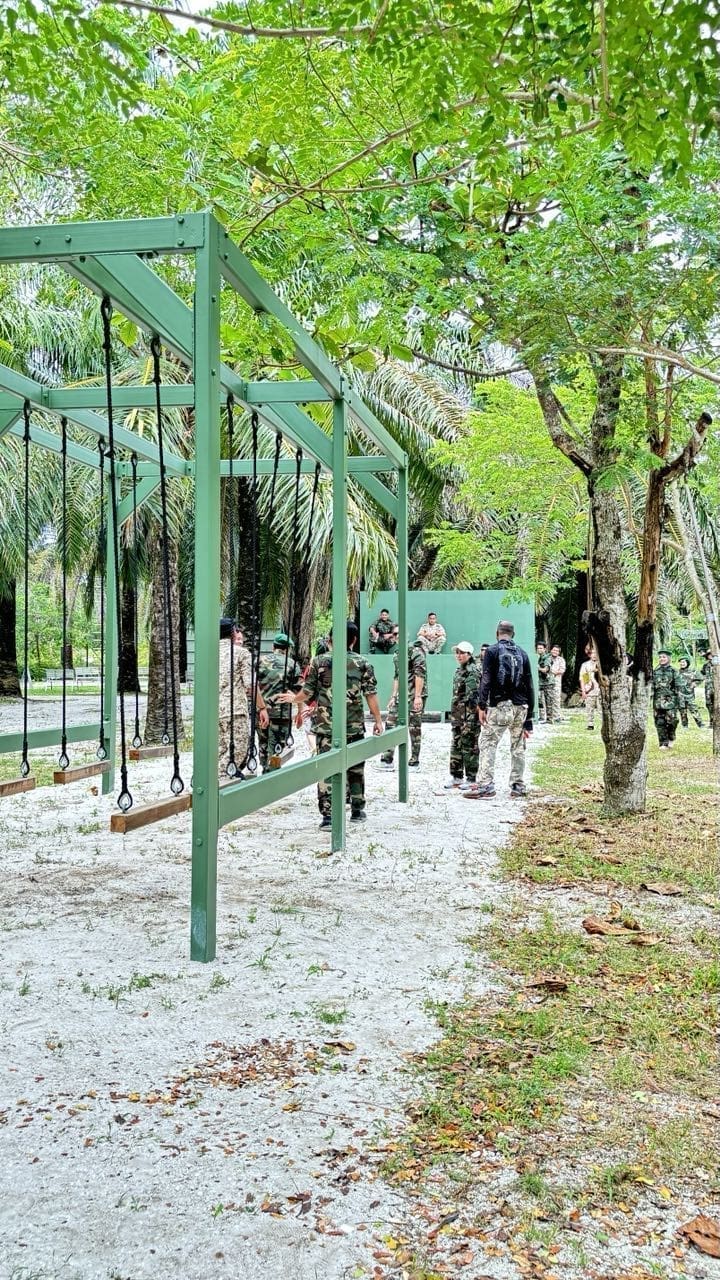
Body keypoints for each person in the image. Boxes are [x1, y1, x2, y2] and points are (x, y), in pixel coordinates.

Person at [279, 620, 383, 828]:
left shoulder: (319, 662)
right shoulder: (363, 663)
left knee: (326, 767)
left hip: (326, 726)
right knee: (355, 766)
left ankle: (328, 816)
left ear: (331, 639)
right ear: (353, 640)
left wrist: (293, 699)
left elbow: (307, 692)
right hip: (353, 724)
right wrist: (378, 720)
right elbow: (370, 695)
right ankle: (356, 809)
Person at [465, 620, 534, 800]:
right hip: (521, 707)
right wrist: (529, 719)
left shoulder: (492, 651)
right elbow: (530, 685)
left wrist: (482, 705)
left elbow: (486, 679)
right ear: (513, 634)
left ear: (497, 633)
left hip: (501, 705)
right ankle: (518, 785)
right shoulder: (523, 653)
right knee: (518, 746)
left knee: (488, 743)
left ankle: (486, 785)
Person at [218, 618, 268, 779]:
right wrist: (262, 707)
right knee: (239, 749)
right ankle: (221, 777)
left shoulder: (208, 653)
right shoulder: (241, 653)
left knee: (220, 750)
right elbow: (250, 685)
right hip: (235, 710)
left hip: (213, 711)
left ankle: (221, 778)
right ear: (233, 633)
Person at [379, 637, 428, 769]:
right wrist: (393, 696)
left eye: (398, 634)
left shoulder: (415, 651)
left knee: (414, 728)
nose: (395, 637)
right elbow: (397, 676)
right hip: (401, 695)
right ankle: (387, 759)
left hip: (414, 695)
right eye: (394, 634)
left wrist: (418, 696)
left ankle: (414, 761)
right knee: (390, 723)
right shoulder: (397, 653)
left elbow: (420, 674)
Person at [257, 633, 303, 770]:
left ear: (273, 646)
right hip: (281, 714)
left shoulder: (260, 661)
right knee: (277, 750)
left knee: (263, 745)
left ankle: (264, 772)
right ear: (288, 649)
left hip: (261, 712)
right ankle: (272, 777)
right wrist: (300, 711)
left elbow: (252, 686)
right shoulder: (292, 664)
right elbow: (299, 690)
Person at [445, 642, 481, 790]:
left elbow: (473, 697)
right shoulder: (459, 670)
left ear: (469, 654)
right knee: (456, 744)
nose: (459, 655)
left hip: (469, 715)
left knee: (470, 745)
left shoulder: (472, 671)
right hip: (458, 715)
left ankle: (471, 778)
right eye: (457, 652)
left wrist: (471, 718)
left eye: (462, 653)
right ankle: (456, 776)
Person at [652, 650, 681, 749]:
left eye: (664, 657)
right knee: (659, 722)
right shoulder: (655, 671)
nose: (661, 659)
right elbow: (651, 685)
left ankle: (671, 736)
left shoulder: (674, 671)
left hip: (671, 700)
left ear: (668, 658)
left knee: (672, 720)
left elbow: (679, 686)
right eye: (660, 657)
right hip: (658, 701)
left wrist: (679, 700)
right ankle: (663, 743)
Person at [677, 657, 703, 728]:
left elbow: (700, 678)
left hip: (689, 695)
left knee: (694, 709)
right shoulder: (677, 672)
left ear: (687, 663)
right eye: (681, 662)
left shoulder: (692, 671)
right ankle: (684, 725)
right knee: (682, 711)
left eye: (683, 662)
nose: (682, 663)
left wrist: (694, 684)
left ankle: (700, 724)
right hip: (680, 695)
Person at [579, 650, 600, 730]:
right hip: (590, 689)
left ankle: (604, 725)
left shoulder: (601, 664)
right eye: (592, 653)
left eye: (596, 653)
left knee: (602, 709)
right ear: (589, 655)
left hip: (601, 690)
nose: (594, 655)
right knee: (589, 708)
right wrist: (584, 691)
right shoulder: (585, 665)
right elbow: (584, 679)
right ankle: (590, 724)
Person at [536, 641, 553, 723]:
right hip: (539, 682)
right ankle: (541, 717)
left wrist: (538, 668)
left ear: (545, 649)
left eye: (541, 648)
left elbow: (545, 670)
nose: (539, 650)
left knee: (548, 701)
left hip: (547, 683)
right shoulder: (537, 657)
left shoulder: (547, 658)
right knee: (539, 700)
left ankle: (549, 718)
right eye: (538, 648)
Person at [549, 644, 566, 722]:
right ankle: (548, 716)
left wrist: (553, 672)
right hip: (546, 682)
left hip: (556, 682)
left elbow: (562, 670)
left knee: (556, 699)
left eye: (557, 651)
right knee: (547, 699)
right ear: (551, 650)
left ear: (559, 652)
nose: (555, 652)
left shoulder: (561, 660)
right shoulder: (547, 658)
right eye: (554, 650)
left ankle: (556, 716)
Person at [701, 649, 716, 728]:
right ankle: (712, 721)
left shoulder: (718, 664)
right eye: (709, 654)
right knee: (709, 704)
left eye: (712, 654)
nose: (710, 655)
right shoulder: (705, 665)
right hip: (708, 688)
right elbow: (702, 675)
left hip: (717, 688)